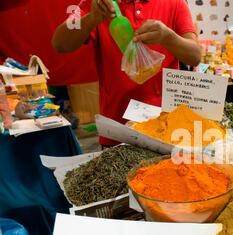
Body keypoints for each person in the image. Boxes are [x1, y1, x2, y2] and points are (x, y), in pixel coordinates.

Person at [52, 0, 201, 148]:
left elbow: (194, 56)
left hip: (166, 128)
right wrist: (92, 18)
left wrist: (168, 36)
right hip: (116, 131)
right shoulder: (99, 4)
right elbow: (60, 44)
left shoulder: (175, 3)